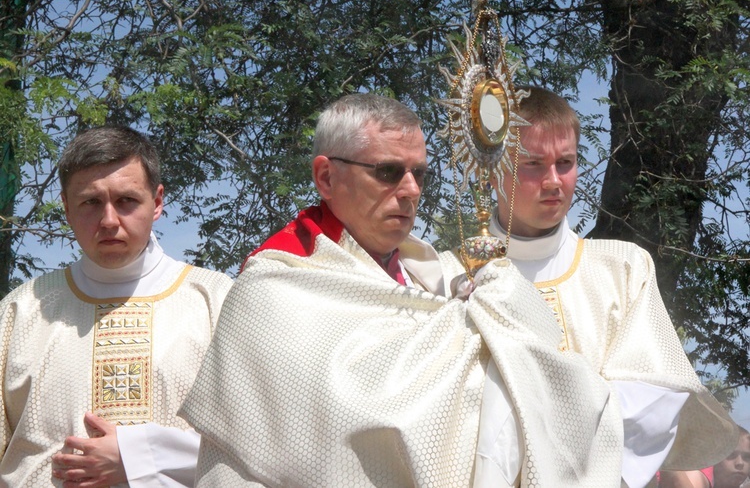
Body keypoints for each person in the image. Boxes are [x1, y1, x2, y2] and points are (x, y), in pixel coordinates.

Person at [180, 93, 630, 487]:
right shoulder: (274, 289)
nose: (411, 190)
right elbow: (332, 432)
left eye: (420, 174)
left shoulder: (434, 276)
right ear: (326, 177)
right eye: (389, 171)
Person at [439, 86, 737, 488]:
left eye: (566, 162)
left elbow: (656, 394)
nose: (553, 181)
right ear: (493, 171)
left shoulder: (622, 268)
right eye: (532, 164)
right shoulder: (446, 274)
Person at [0, 126, 233, 487]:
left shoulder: (218, 302)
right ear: (65, 206)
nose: (109, 220)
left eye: (126, 201)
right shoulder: (20, 312)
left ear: (157, 202)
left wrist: (140, 456)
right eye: (91, 202)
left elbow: (262, 444)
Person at [660, 427, 750, 488]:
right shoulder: (699, 472)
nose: (740, 463)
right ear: (715, 457)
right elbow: (677, 484)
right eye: (731, 455)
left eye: (747, 457)